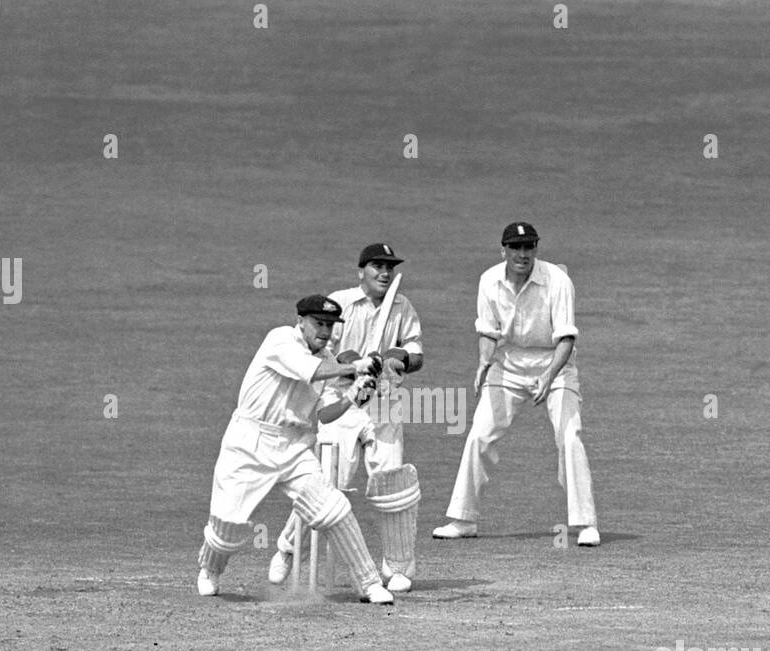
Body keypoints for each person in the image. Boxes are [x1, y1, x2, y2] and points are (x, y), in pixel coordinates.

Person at [196, 294, 395, 604]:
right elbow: (310, 371)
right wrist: (355, 367)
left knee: (334, 509)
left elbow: (326, 413)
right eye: (319, 324)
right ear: (301, 321)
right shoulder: (280, 340)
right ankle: (209, 568)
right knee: (228, 529)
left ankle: (369, 584)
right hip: (249, 442)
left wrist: (356, 396)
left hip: (295, 446)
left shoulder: (329, 360)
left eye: (330, 325)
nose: (325, 331)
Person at [268, 243, 426, 593]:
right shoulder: (339, 303)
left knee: (392, 481)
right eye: (376, 266)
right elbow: (319, 351)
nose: (384, 272)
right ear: (361, 271)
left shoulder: (403, 306)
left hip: (384, 403)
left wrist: (398, 356)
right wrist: (353, 363)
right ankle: (288, 549)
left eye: (389, 267)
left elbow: (416, 353)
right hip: (342, 402)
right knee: (327, 484)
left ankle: (398, 566)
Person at [432, 222, 600, 546]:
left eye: (528, 248)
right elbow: (488, 331)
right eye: (515, 248)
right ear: (504, 250)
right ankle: (463, 520)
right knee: (479, 435)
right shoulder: (488, 281)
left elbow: (566, 338)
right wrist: (484, 361)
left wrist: (548, 377)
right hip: (506, 368)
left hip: (556, 366)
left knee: (570, 437)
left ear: (536, 249)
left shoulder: (558, 281)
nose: (522, 254)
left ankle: (585, 524)